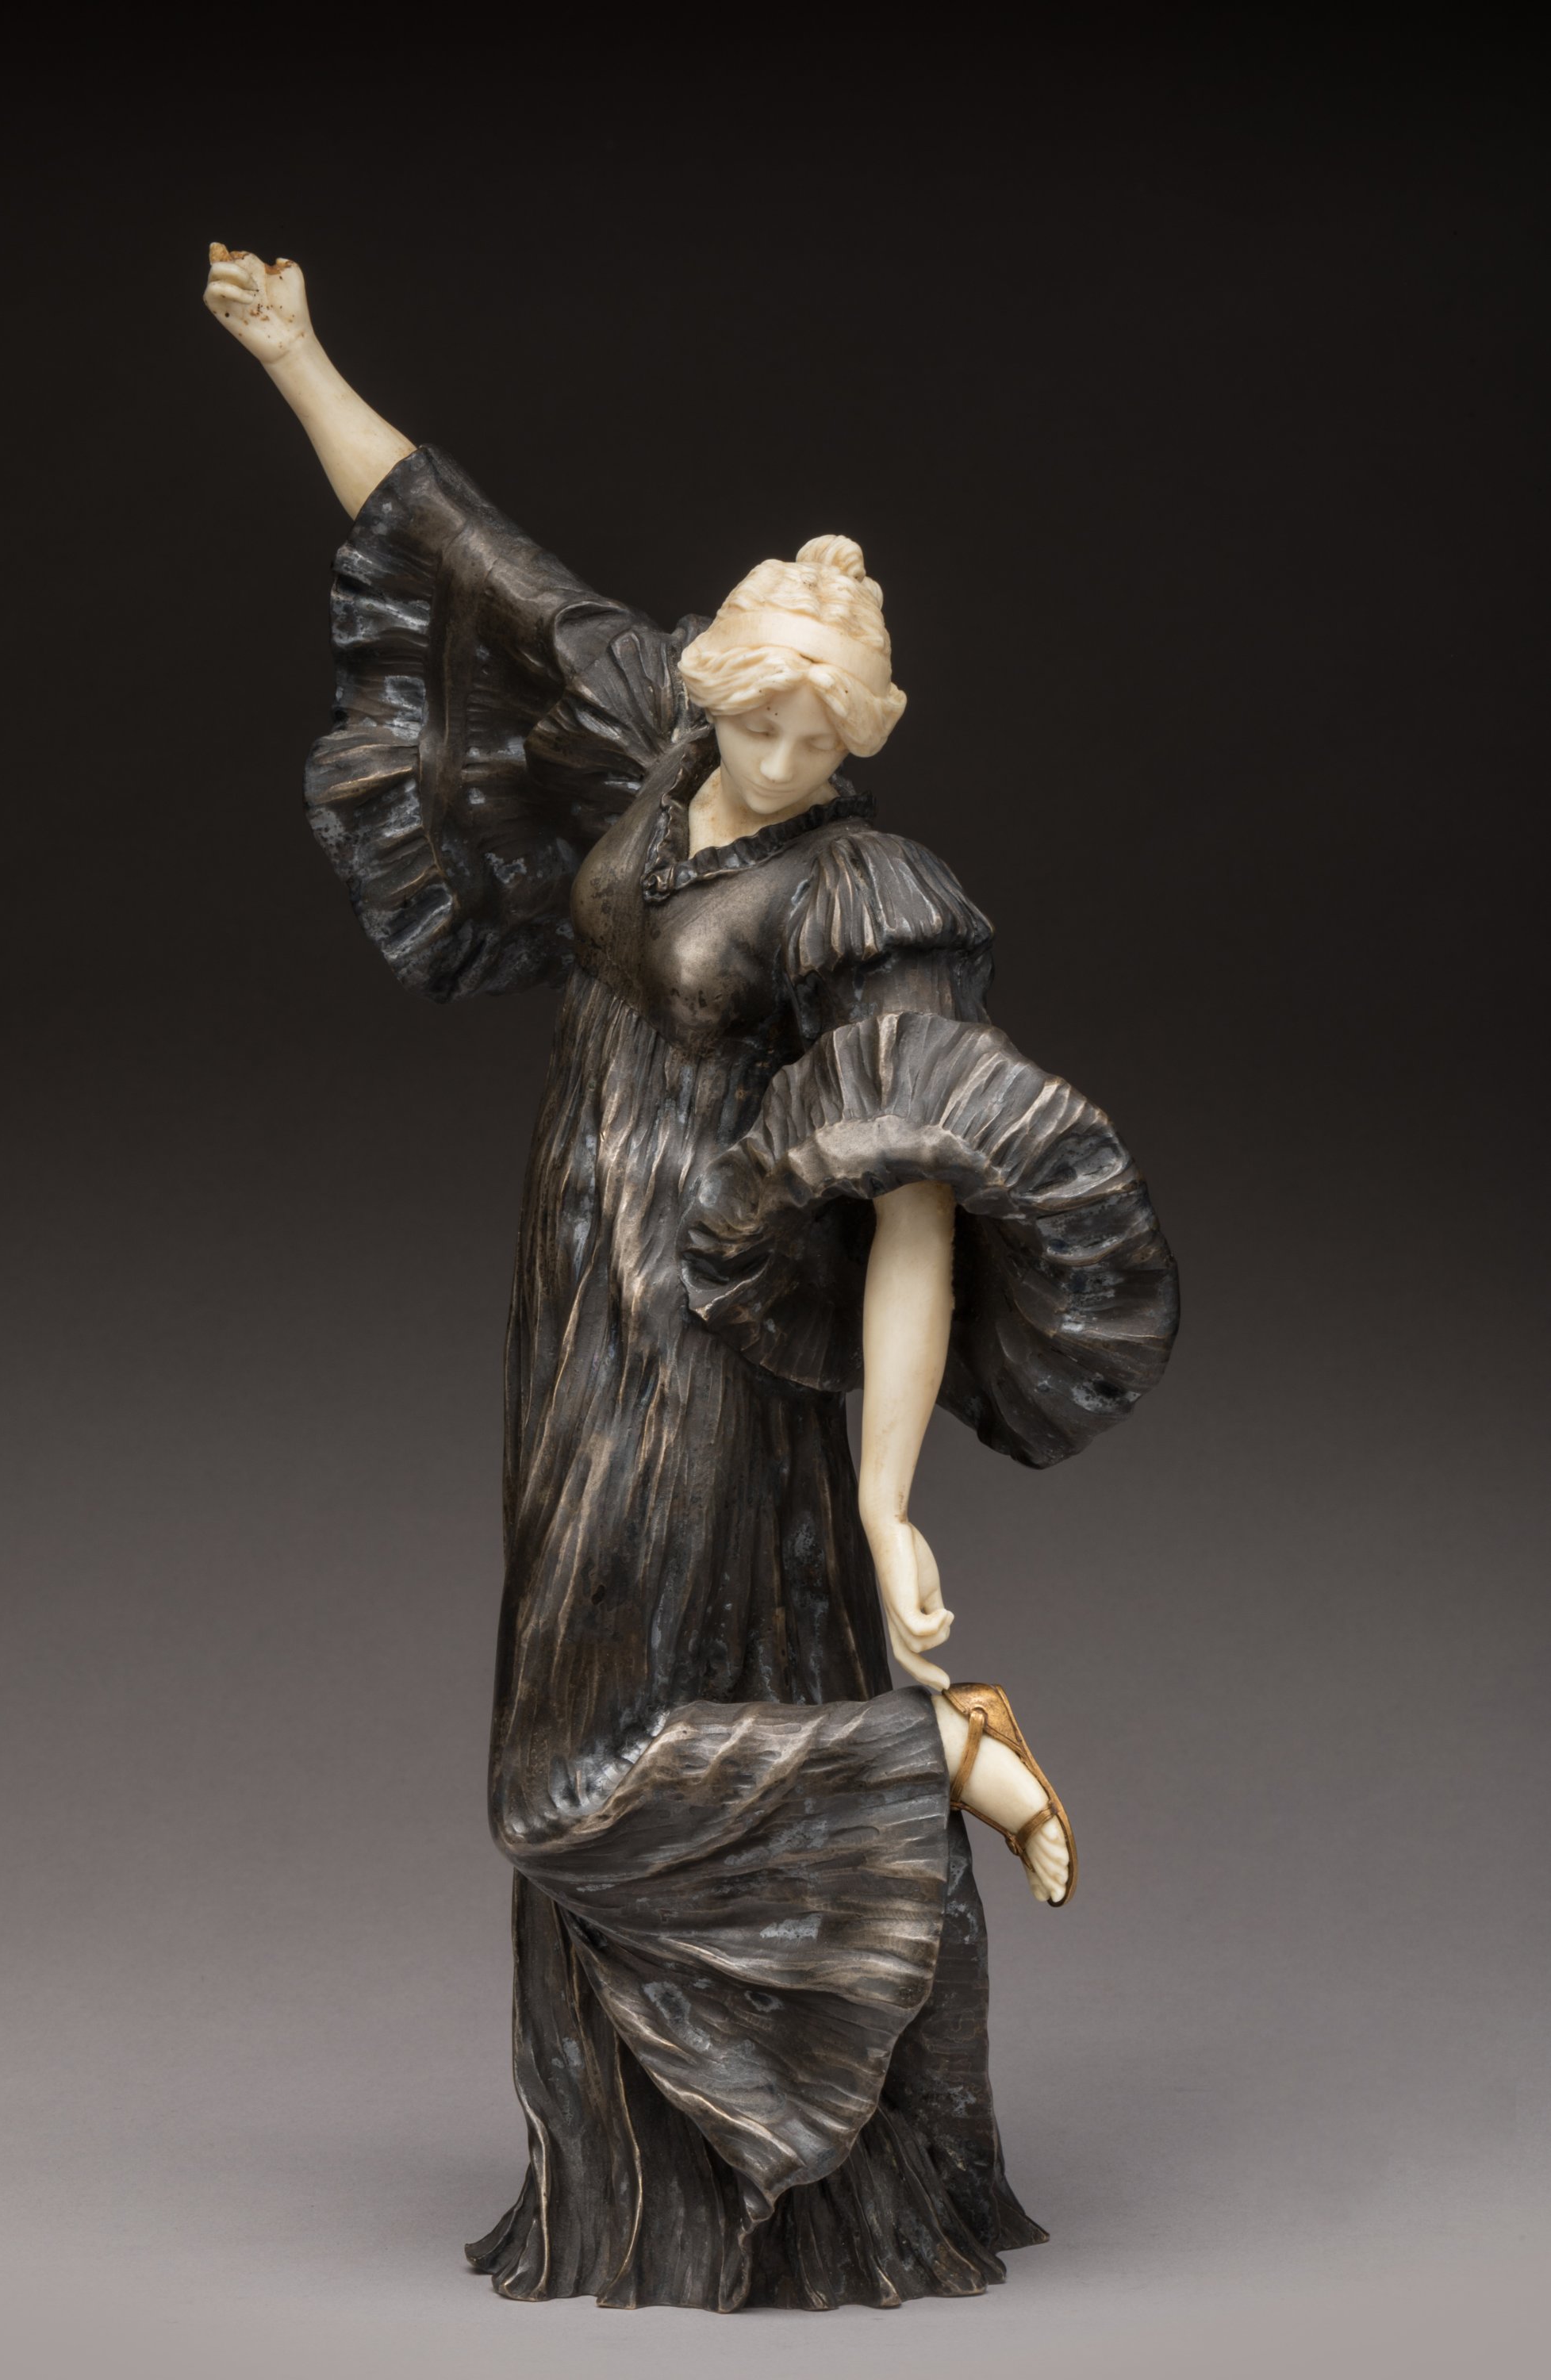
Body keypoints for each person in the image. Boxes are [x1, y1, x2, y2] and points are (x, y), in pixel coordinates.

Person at [204, 245, 1177, 2311]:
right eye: (765, 718)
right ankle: (646, 2158)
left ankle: (915, 1773)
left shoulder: (876, 895)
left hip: (726, 1326)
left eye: (827, 738)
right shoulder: (656, 734)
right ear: (717, 681)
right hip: (574, 1283)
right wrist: (297, 352)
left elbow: (919, 1197)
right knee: (569, 1691)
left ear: (863, 742)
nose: (789, 754)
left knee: (584, 1757)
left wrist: (889, 1498)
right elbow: (460, 550)